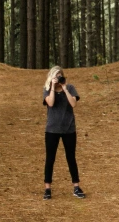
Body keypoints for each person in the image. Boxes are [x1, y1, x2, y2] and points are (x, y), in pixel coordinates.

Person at [42, 66, 85, 200]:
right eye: (55, 75)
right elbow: (51, 103)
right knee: (50, 159)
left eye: (60, 75)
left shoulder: (70, 88)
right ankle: (47, 188)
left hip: (69, 129)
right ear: (51, 76)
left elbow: (73, 104)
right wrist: (53, 87)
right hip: (52, 129)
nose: (58, 77)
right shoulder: (47, 89)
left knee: (71, 158)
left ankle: (76, 187)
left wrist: (65, 87)